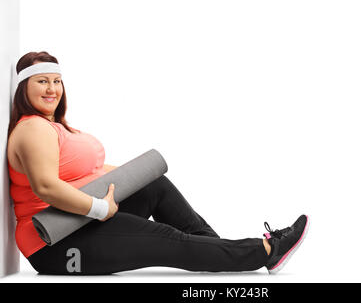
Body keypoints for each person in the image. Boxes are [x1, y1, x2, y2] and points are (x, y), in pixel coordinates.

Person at [7, 51, 309, 275]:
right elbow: (45, 186)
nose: (52, 89)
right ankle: (267, 251)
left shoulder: (55, 126)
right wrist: (100, 209)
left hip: (79, 220)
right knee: (166, 239)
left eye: (57, 81)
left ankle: (213, 250)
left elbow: (89, 172)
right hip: (54, 241)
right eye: (42, 81)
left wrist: (137, 176)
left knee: (153, 186)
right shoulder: (32, 128)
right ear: (23, 88)